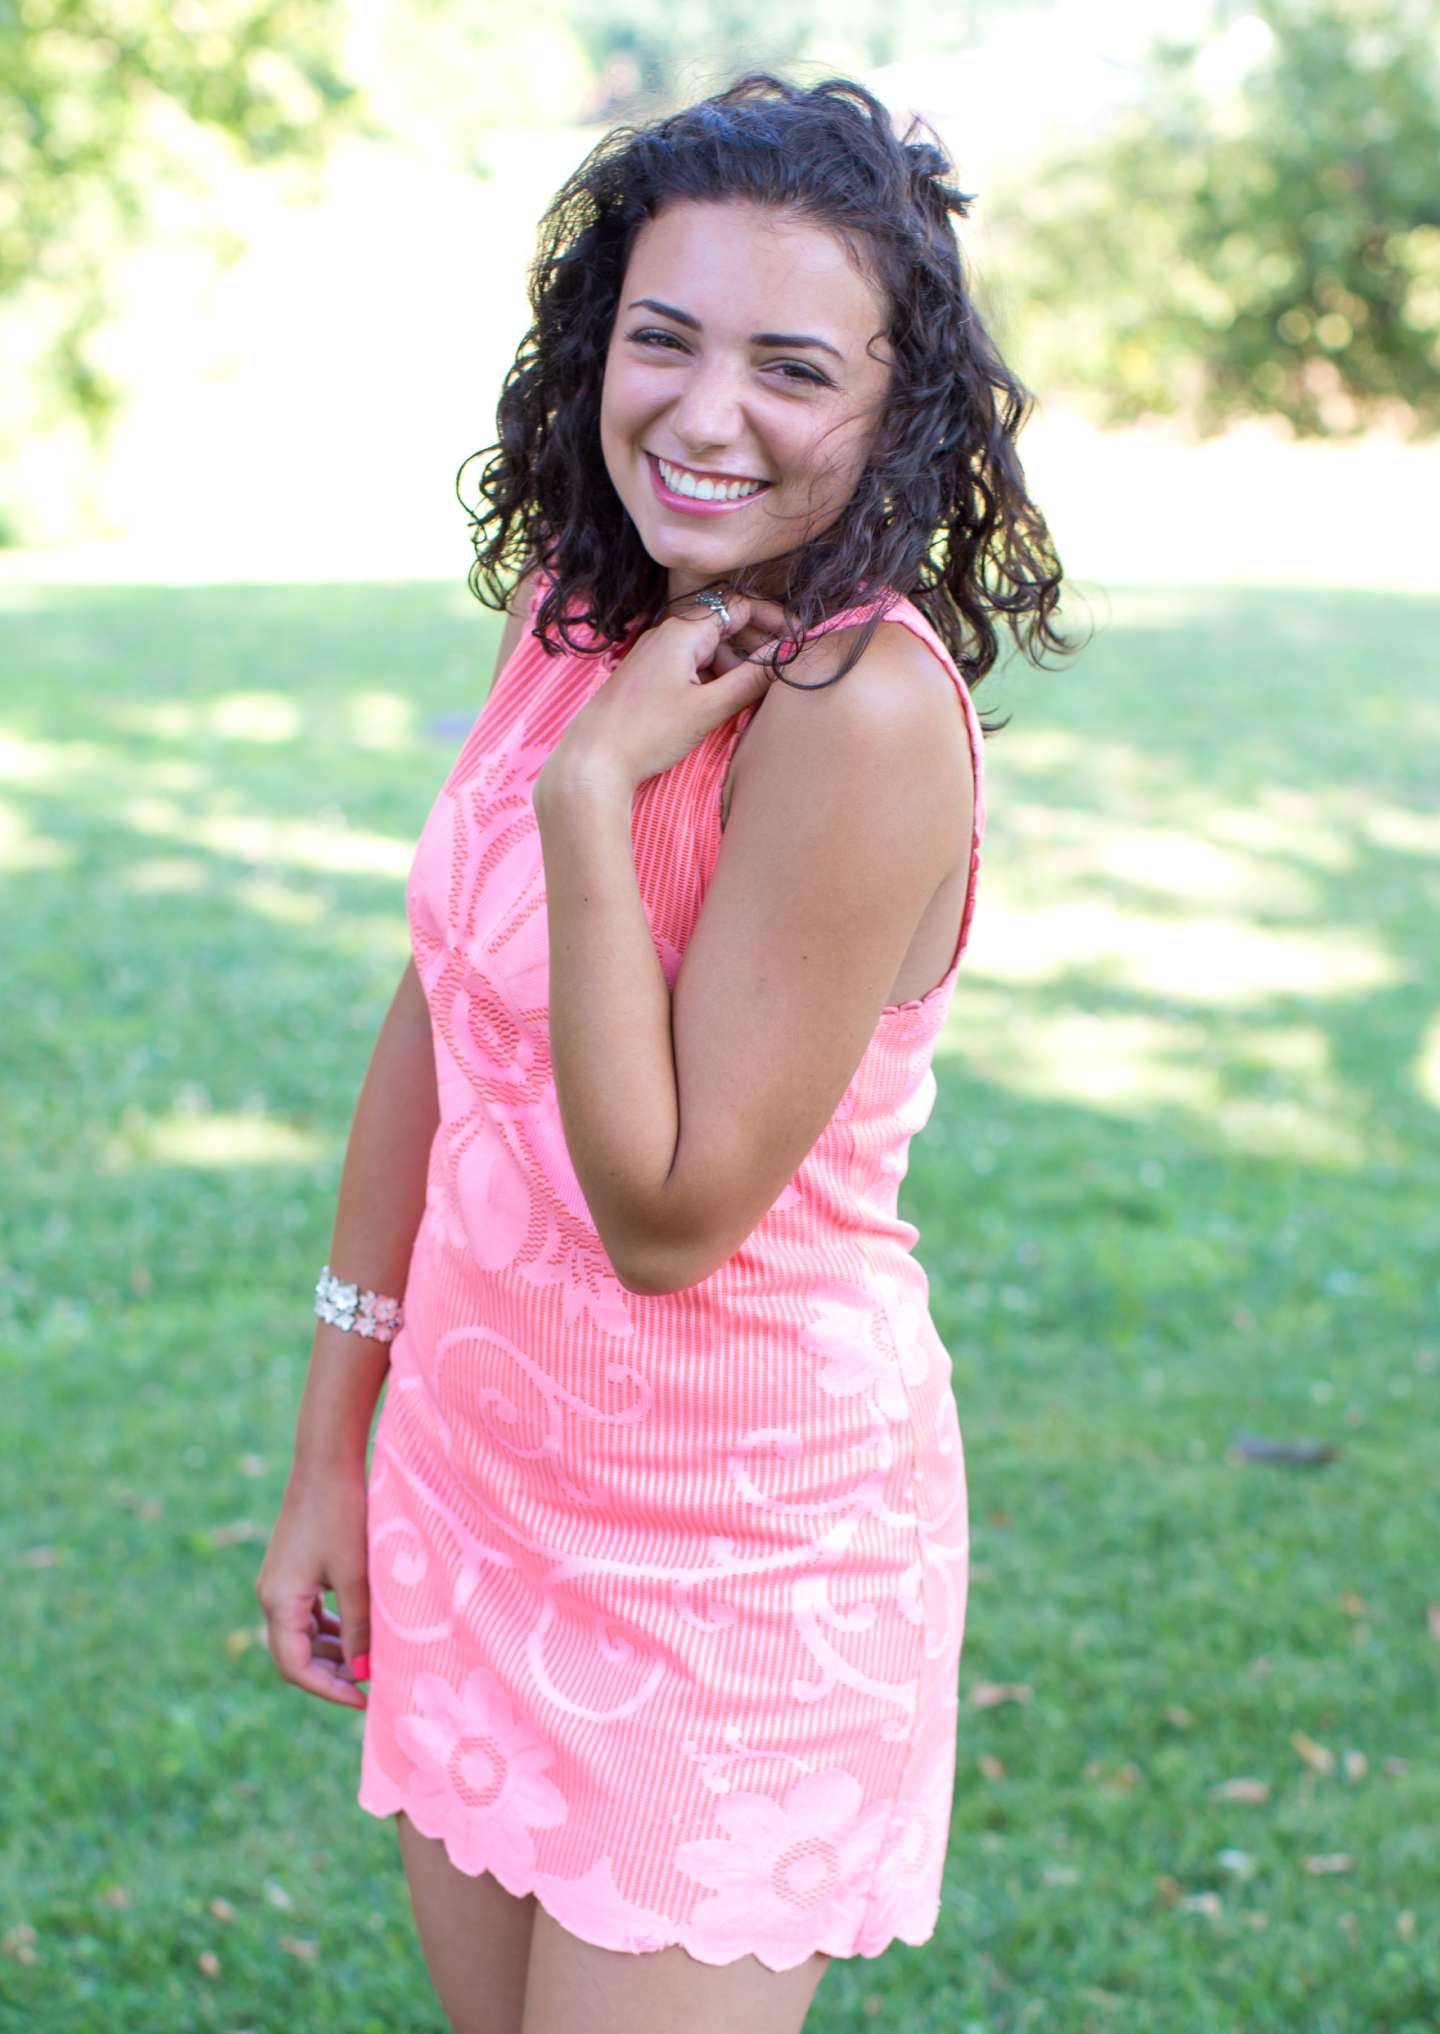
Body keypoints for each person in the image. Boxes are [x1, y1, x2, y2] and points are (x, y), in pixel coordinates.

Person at [257, 68, 1074, 2034]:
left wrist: (596, 787)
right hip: (477, 1490)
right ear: (591, 349)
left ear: (897, 404)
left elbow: (670, 1210)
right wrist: (334, 1447)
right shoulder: (576, 605)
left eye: (791, 366)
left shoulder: (856, 711)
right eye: (663, 339)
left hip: (731, 1573)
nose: (706, 415)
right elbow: (444, 1005)